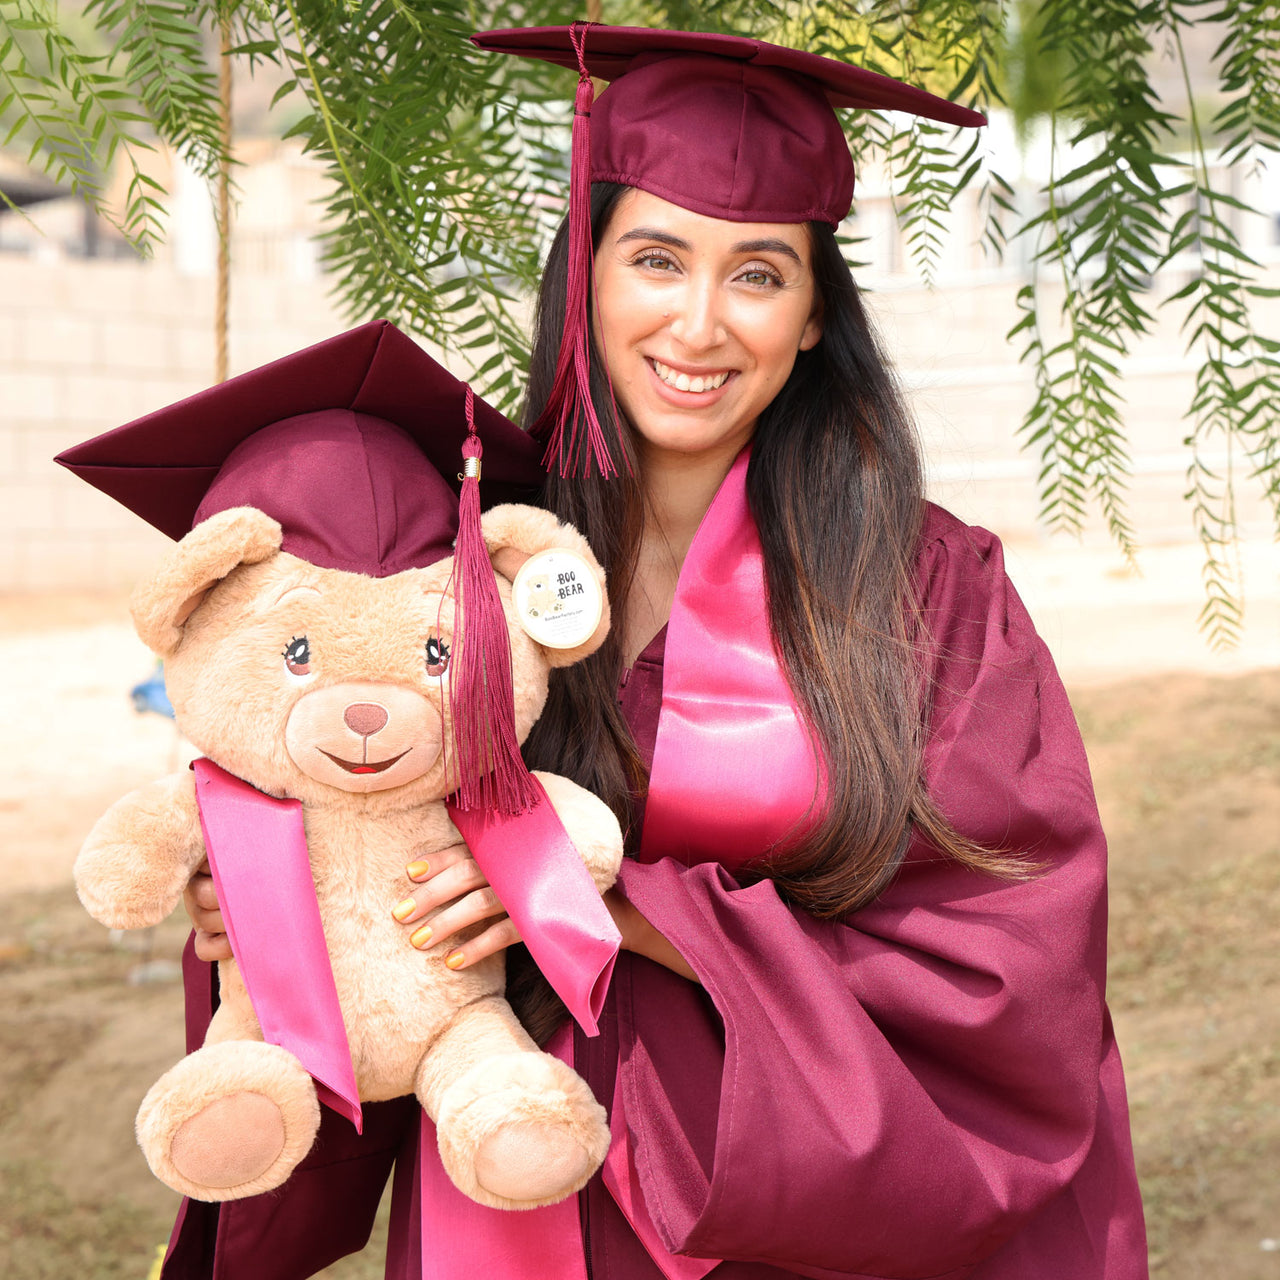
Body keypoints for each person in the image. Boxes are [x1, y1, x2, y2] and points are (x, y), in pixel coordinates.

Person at [177, 22, 1148, 1280]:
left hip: (794, 1191)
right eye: (654, 257)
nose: (699, 322)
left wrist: (612, 903)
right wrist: (271, 897)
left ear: (811, 317)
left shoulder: (921, 590)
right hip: (516, 1159)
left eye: (757, 273)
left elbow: (1007, 963)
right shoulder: (454, 561)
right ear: (584, 274)